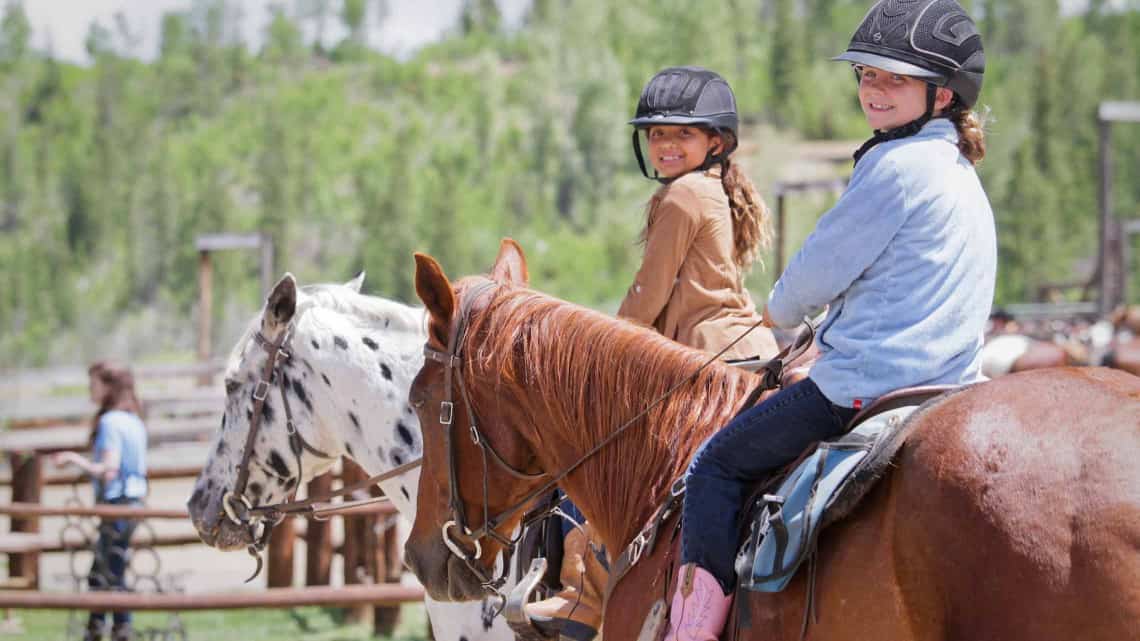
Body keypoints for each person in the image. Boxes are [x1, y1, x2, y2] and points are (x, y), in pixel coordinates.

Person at [662, 2, 996, 640]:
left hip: (865, 388)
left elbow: (816, 273)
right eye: (868, 75)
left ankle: (690, 634)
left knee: (714, 468)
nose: (874, 88)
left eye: (894, 79)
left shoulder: (895, 167)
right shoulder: (960, 172)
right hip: (950, 384)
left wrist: (779, 310)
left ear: (942, 93)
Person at [618, 65, 780, 362]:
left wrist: (606, 346)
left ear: (715, 142)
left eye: (684, 133)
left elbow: (649, 293)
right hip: (740, 348)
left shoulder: (685, 193)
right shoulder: (712, 186)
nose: (667, 143)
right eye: (656, 133)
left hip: (712, 355)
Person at [52, 362, 149, 641]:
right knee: (108, 571)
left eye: (93, 385)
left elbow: (108, 468)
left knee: (106, 575)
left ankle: (110, 632)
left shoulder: (110, 422)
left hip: (116, 504)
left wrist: (73, 459)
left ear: (108, 387)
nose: (90, 391)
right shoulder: (134, 421)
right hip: (133, 503)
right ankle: (111, 631)